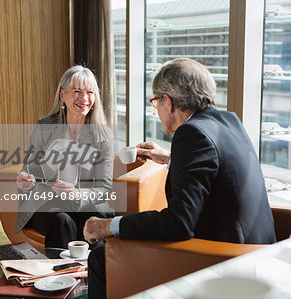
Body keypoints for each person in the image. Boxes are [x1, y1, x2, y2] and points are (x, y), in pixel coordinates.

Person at [83, 58, 276, 298]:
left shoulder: (191, 133)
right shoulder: (228, 121)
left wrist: (107, 226)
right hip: (259, 254)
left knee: (101, 257)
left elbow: (179, 224)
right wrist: (169, 158)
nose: (157, 108)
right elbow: (217, 170)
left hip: (225, 262)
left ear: (168, 101)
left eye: (156, 101)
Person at [15, 65, 114, 250]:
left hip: (85, 202)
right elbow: (31, 168)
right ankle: (60, 274)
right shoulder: (45, 126)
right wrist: (25, 179)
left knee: (92, 224)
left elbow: (104, 188)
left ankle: (89, 276)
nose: (84, 98)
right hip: (46, 200)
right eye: (77, 91)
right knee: (62, 222)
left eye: (90, 92)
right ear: (62, 95)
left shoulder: (103, 135)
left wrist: (77, 194)